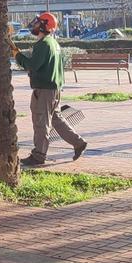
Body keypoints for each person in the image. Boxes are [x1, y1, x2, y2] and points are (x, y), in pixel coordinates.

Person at [15, 11, 87, 165]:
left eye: (38, 23)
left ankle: (39, 155)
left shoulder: (43, 44)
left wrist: (18, 56)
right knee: (56, 119)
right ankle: (78, 143)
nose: (35, 25)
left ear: (44, 26)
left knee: (41, 122)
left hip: (44, 90)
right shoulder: (53, 43)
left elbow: (33, 66)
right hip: (55, 90)